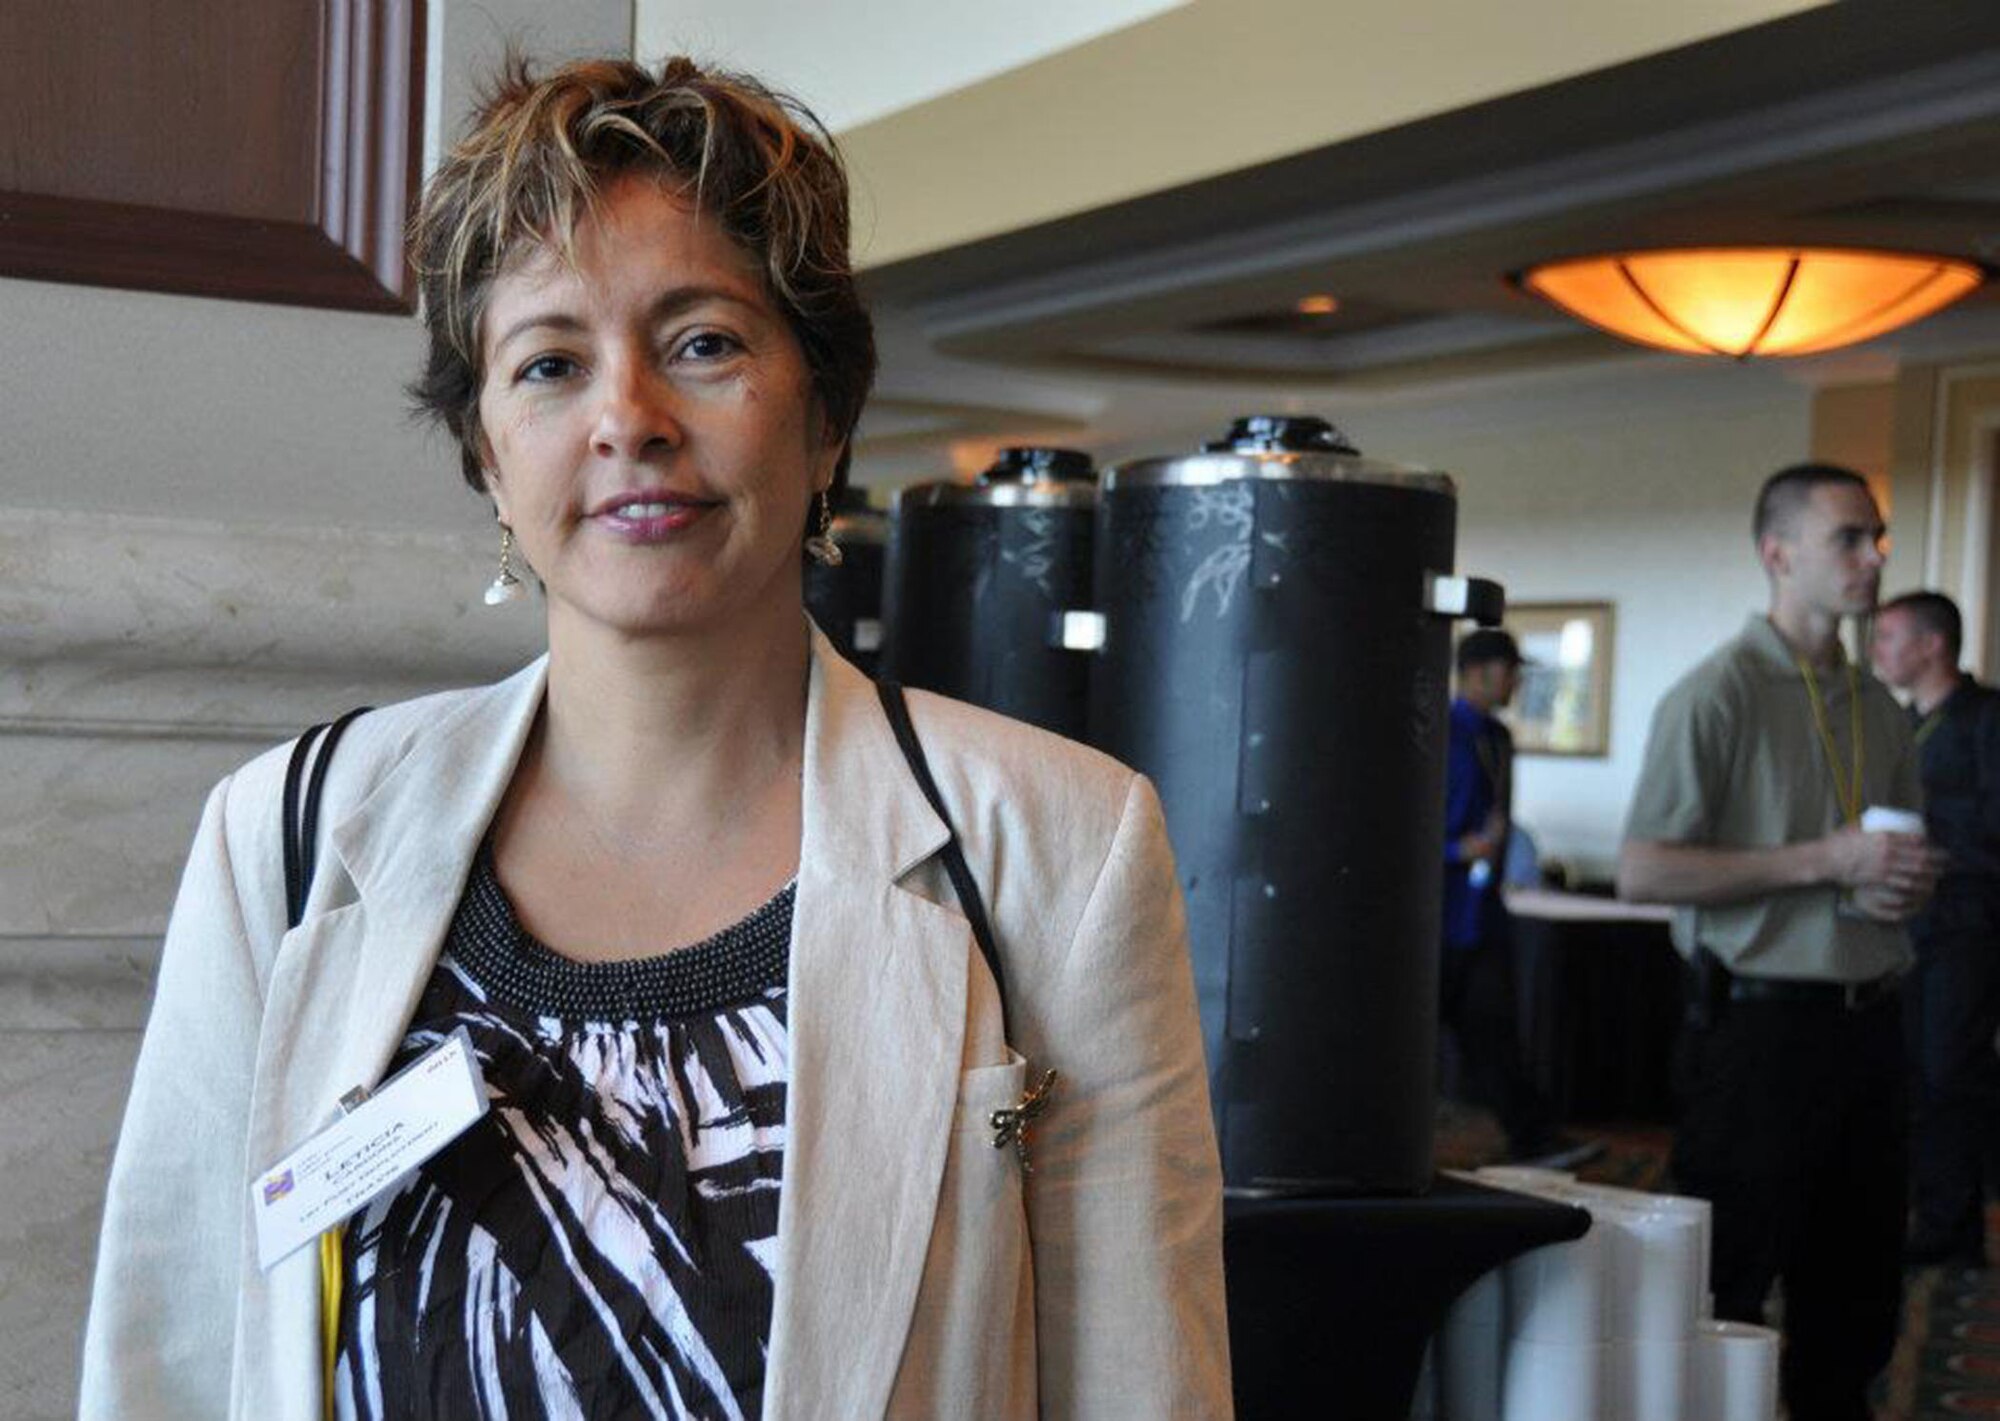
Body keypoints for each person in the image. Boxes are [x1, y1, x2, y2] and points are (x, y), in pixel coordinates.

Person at [78, 57, 1231, 1421]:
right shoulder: (288, 839)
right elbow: (168, 1365)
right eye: (551, 364)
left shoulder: (1056, 848)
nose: (630, 418)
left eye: (704, 343)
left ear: (825, 419)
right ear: (489, 459)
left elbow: (1138, 1392)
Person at [1619, 462, 1944, 1420]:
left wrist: (1906, 878)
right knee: (1730, 1285)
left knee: (1857, 1295)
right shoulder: (1713, 695)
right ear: (1778, 553)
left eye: (1876, 536)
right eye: (1848, 537)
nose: (1871, 556)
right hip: (1758, 1034)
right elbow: (1644, 871)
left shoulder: (1881, 707)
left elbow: (1886, 858)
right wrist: (1824, 861)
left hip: (1872, 1023)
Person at [1873, 590, 2000, 1267]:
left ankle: (1953, 1228)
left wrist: (1933, 847)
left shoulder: (1986, 720)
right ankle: (1921, 1210)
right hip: (1904, 927)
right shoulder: (1896, 723)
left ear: (1932, 644)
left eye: (1889, 637)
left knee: (1951, 1072)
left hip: (1967, 926)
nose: (1878, 650)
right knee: (1911, 1075)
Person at [1441, 629, 1577, 1165]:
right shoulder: (1440, 732)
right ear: (1479, 672)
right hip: (1439, 915)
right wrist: (1457, 850)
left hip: (1485, 916)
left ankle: (1531, 1140)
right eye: (1509, 670)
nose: (1518, 682)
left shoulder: (1498, 737)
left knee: (1497, 1036)